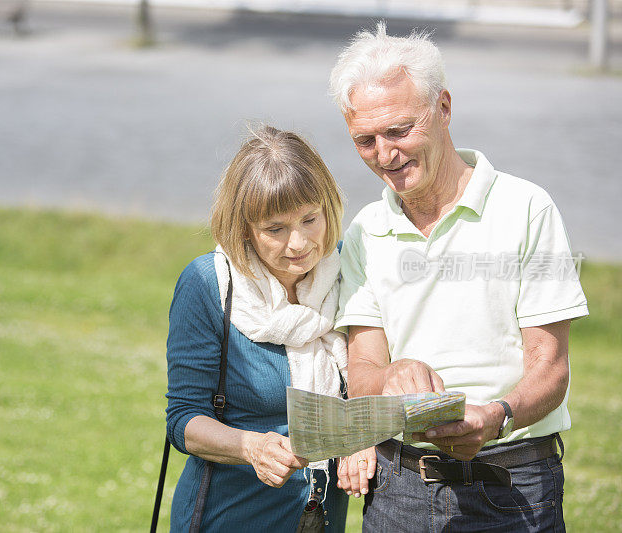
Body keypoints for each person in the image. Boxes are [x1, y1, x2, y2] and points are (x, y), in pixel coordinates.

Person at [329, 23, 588, 531]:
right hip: (397, 488)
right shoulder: (365, 229)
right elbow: (361, 372)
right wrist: (388, 376)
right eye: (365, 140)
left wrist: (498, 416)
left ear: (443, 108)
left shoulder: (527, 208)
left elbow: (551, 368)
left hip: (512, 484)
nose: (385, 155)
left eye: (399, 131)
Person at [165, 125, 372, 532]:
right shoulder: (209, 284)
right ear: (244, 229)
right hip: (229, 515)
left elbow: (369, 382)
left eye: (310, 219)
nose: (298, 243)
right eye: (275, 229)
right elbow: (183, 419)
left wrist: (360, 436)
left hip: (321, 516)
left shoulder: (349, 270)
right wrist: (251, 446)